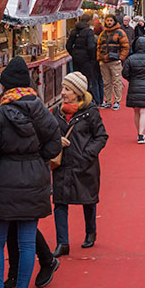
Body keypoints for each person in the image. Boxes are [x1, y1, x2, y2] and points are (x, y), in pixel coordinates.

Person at [0, 57, 63, 288]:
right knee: (26, 243)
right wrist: (39, 160)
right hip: (34, 179)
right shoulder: (40, 109)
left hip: (3, 180)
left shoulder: (0, 113)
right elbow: (54, 142)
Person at [51, 72, 108, 254]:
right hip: (63, 163)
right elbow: (48, 133)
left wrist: (87, 154)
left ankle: (90, 232)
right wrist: (57, 140)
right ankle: (62, 242)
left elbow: (101, 136)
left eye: (67, 89)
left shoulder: (90, 112)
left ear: (78, 92)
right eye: (63, 88)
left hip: (85, 164)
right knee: (60, 202)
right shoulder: (56, 112)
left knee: (88, 200)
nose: (63, 93)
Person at [96, 13, 130, 110]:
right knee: (106, 82)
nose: (109, 22)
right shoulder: (103, 33)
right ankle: (107, 101)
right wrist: (99, 58)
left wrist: (121, 58)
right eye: (108, 20)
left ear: (114, 21)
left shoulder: (120, 32)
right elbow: (98, 46)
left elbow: (125, 46)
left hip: (115, 61)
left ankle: (117, 101)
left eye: (111, 20)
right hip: (104, 61)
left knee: (116, 82)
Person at [66, 15, 102, 106]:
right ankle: (88, 101)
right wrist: (92, 58)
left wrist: (74, 53)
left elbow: (68, 45)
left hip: (76, 58)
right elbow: (91, 46)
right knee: (87, 80)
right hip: (86, 59)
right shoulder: (89, 31)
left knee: (77, 79)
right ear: (89, 21)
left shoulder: (74, 31)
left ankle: (78, 99)